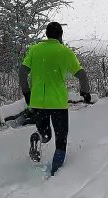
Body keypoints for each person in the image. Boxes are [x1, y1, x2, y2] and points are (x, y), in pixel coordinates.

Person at [19, 22, 91, 175]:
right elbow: (82, 74)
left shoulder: (35, 49)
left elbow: (22, 72)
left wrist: (27, 93)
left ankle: (37, 137)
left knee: (45, 133)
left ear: (46, 34)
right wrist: (85, 93)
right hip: (58, 103)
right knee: (60, 138)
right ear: (61, 35)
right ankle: (55, 173)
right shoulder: (64, 52)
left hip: (38, 102)